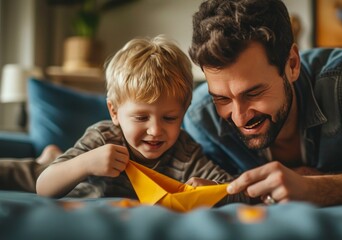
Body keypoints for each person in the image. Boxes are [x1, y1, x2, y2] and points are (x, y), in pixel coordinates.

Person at [183, 0, 342, 206]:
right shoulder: (201, 120)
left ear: (292, 64)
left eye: (253, 93)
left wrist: (318, 188)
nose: (239, 117)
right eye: (222, 99)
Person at [36, 36, 251, 205]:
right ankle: (51, 155)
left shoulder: (184, 152)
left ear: (183, 112)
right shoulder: (103, 138)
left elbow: (239, 191)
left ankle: (54, 155)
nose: (156, 130)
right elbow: (43, 187)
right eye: (141, 117)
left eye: (169, 118)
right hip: (67, 177)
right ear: (114, 112)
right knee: (21, 172)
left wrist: (212, 188)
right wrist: (85, 163)